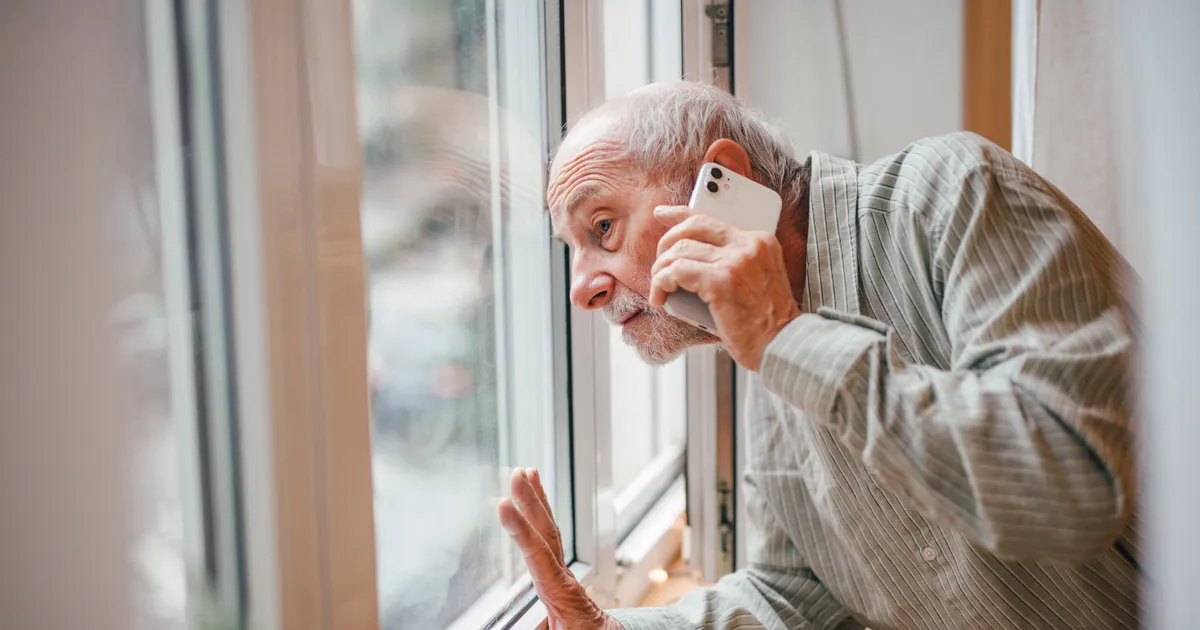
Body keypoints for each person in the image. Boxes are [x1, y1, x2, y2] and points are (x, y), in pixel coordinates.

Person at [496, 81, 1139, 630]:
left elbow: (1073, 488)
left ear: (721, 182)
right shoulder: (765, 359)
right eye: (572, 250)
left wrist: (787, 337)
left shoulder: (951, 193)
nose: (584, 288)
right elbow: (793, 595)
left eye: (602, 228)